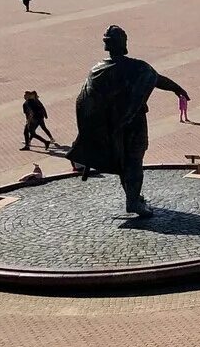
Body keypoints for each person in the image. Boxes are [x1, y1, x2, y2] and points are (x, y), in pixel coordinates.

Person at [67, 24, 189, 218]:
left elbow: (84, 102)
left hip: (110, 126)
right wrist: (177, 88)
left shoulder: (96, 70)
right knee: (133, 161)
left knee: (124, 161)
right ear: (123, 44)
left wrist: (93, 129)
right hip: (133, 123)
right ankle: (133, 202)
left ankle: (133, 196)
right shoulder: (137, 67)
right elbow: (155, 78)